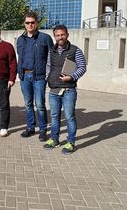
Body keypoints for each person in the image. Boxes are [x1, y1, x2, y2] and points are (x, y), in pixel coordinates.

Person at [43, 24, 86, 154]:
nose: (60, 37)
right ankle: (54, 139)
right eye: (57, 35)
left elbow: (82, 67)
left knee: (69, 117)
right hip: (54, 89)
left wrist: (72, 77)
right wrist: (48, 78)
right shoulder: (52, 50)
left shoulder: (75, 50)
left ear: (67, 35)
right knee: (55, 116)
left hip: (68, 90)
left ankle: (71, 142)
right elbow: (48, 66)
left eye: (62, 34)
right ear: (54, 36)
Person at [16, 12, 53, 141]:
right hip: (24, 76)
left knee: (40, 104)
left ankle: (43, 130)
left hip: (39, 77)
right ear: (24, 24)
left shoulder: (45, 38)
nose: (30, 25)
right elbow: (20, 57)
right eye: (27, 23)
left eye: (32, 22)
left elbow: (51, 57)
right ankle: (30, 128)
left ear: (36, 23)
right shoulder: (20, 39)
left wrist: (48, 75)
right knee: (28, 104)